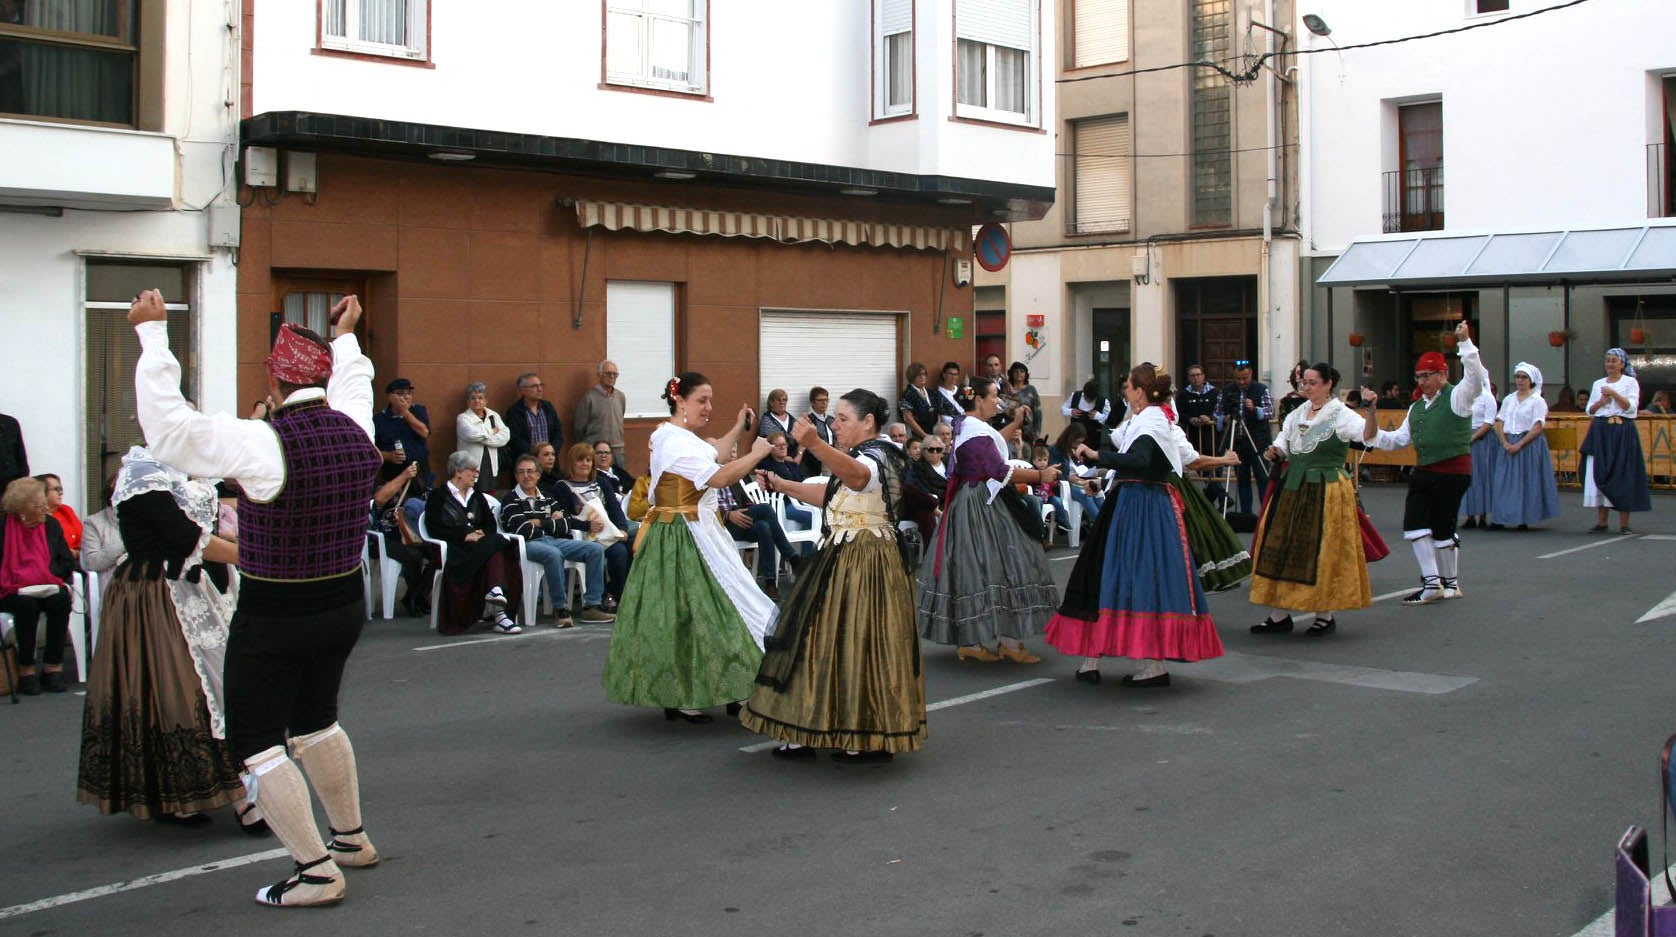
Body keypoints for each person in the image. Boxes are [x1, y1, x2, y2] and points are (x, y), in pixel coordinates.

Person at [132, 290, 382, 908]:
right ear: (322, 374)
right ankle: (350, 840)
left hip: (277, 610)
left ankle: (317, 871)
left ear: (274, 377)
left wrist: (153, 338)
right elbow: (355, 383)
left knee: (257, 740)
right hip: (345, 602)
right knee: (319, 717)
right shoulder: (355, 425)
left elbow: (170, 432)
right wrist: (347, 337)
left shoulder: (261, 441)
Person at [743, 390, 926, 763]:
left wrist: (814, 444)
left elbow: (858, 479)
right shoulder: (856, 458)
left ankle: (861, 733)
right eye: (837, 418)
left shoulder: (880, 454)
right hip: (841, 555)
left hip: (866, 560)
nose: (836, 424)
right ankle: (814, 727)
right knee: (818, 640)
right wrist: (783, 485)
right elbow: (833, 492)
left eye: (843, 419)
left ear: (867, 422)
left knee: (857, 644)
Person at [76, 447, 252, 826]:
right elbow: (183, 537)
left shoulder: (190, 472)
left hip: (198, 590)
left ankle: (237, 790)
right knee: (177, 691)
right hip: (154, 596)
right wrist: (253, 556)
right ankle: (189, 796)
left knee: (224, 684)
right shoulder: (142, 476)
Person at [1045, 365, 1235, 687]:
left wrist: (1096, 456)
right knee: (1105, 575)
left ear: (1138, 391)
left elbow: (1140, 461)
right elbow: (1127, 457)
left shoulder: (1155, 421)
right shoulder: (1141, 420)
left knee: (1141, 578)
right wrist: (1099, 470)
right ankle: (1094, 658)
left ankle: (1152, 665)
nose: (1125, 392)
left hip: (1144, 506)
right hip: (1129, 502)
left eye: (1128, 387)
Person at [602, 373, 776, 724]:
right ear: (680, 401)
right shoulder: (669, 440)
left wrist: (739, 429)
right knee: (694, 614)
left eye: (710, 400)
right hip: (680, 535)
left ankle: (731, 686)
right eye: (702, 400)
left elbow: (716, 454)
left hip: (701, 530)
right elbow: (719, 477)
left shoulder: (682, 438)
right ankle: (685, 695)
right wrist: (757, 453)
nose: (708, 408)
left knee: (720, 609)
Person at [917, 378, 1060, 664]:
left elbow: (992, 444)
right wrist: (1039, 476)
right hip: (981, 503)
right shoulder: (974, 433)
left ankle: (982, 640)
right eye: (994, 396)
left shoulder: (969, 428)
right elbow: (998, 470)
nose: (998, 401)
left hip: (976, 500)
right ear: (979, 400)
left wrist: (1016, 421)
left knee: (982, 569)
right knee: (1001, 566)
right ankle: (997, 640)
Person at [1361, 320, 1489, 605]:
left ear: (1442, 374)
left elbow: (1476, 379)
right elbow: (1398, 440)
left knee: (1443, 528)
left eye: (1427, 376)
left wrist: (1465, 343)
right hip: (1425, 471)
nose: (1421, 382)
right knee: (1416, 525)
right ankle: (1432, 584)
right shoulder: (1416, 407)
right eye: (1418, 376)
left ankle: (1451, 583)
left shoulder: (1457, 397)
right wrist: (1371, 428)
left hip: (1453, 471)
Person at [1248, 363, 1373, 637]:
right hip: (1294, 486)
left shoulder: (1341, 414)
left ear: (1328, 384)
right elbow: (1284, 441)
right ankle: (1280, 613)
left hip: (1325, 489)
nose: (1307, 387)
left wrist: (1371, 410)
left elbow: (1368, 436)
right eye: (1304, 382)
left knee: (1321, 549)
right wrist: (1276, 451)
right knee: (1284, 546)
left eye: (1313, 382)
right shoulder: (1297, 413)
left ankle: (1324, 614)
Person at [500, 454, 614, 626]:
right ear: (516, 476)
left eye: (530, 471)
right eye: (521, 472)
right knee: (553, 554)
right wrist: (552, 522)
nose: (526, 476)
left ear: (538, 475)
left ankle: (592, 606)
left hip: (553, 540)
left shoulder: (546, 497)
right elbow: (523, 530)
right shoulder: (510, 499)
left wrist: (540, 522)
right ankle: (561, 609)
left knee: (594, 550)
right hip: (528, 545)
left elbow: (566, 523)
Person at [424, 450, 524, 635]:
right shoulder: (438, 496)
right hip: (456, 548)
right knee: (498, 545)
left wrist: (480, 533)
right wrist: (464, 534)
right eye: (472, 470)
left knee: (496, 545)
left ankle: (496, 597)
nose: (476, 475)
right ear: (458, 472)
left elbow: (490, 524)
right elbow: (434, 527)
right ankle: (500, 614)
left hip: (481, 545)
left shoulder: (477, 496)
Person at [0, 476, 76, 695]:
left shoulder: (51, 525)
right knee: (26, 605)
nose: (44, 511)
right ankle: (26, 670)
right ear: (22, 508)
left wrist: (47, 576)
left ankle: (53, 667)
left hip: (47, 583)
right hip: (11, 587)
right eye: (38, 507)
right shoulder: (4, 526)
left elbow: (66, 561)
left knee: (60, 599)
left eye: (44, 506)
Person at [550, 443, 634, 610]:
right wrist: (587, 525)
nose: (585, 464)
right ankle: (603, 598)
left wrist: (622, 528)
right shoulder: (562, 487)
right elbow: (563, 518)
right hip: (581, 537)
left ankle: (620, 596)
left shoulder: (602, 483)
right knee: (608, 552)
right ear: (572, 462)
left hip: (606, 533)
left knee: (628, 548)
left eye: (588, 460)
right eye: (580, 460)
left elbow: (615, 509)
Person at [1580, 348, 1652, 533]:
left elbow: (1631, 408)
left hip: (1622, 430)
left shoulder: (1630, 382)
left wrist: (1614, 394)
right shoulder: (1598, 384)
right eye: (1608, 361)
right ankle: (1602, 521)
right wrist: (1602, 402)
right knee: (1600, 470)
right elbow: (1590, 410)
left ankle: (1624, 523)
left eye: (1614, 361)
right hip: (1601, 429)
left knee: (1623, 472)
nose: (1610, 364)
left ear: (1621, 364)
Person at [1490, 363, 1560, 530]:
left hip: (1528, 443)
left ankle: (1523, 517)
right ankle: (1500, 517)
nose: (1520, 380)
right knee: (1503, 481)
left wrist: (1520, 444)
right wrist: (1505, 442)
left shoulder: (1537, 401)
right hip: (1508, 441)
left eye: (1524, 377)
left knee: (1525, 481)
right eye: (1518, 377)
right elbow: (1499, 421)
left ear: (1531, 380)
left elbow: (1537, 426)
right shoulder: (1509, 399)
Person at [370, 462, 432, 618]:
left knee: (438, 555)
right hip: (387, 538)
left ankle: (416, 595)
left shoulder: (418, 490)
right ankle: (414, 599)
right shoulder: (385, 488)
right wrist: (404, 477)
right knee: (414, 556)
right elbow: (378, 499)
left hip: (416, 536)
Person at [1215, 360, 1273, 514]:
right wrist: (1224, 419)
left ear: (1251, 374)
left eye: (1245, 378)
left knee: (1262, 478)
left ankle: (1265, 514)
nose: (1242, 382)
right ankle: (1246, 514)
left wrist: (1255, 409)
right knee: (1242, 480)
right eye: (1238, 378)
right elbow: (1217, 413)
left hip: (1258, 442)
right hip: (1238, 442)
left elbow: (1269, 412)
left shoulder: (1261, 389)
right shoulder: (1227, 390)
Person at [373, 377, 431, 488]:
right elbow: (372, 449)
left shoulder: (418, 410)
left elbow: (424, 432)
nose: (406, 397)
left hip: (420, 476)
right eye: (400, 393)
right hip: (393, 478)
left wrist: (405, 412)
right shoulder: (379, 419)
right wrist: (388, 456)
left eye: (409, 393)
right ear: (390, 397)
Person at [1458, 382, 1501, 530]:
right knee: (1468, 476)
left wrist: (1474, 437)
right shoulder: (1464, 395)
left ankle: (1482, 515)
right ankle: (1470, 515)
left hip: (1483, 440)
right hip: (1466, 436)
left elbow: (1489, 421)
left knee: (1483, 476)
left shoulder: (1487, 397)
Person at [455, 382, 509, 493]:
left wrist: (484, 440)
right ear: (468, 401)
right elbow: (470, 434)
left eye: (480, 398)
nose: (477, 401)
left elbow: (505, 435)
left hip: (491, 466)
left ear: (486, 400)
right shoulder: (463, 418)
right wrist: (492, 431)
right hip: (469, 466)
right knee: (471, 496)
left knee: (489, 497)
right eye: (473, 398)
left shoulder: (493, 415)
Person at [575, 360, 627, 470]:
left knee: (620, 482)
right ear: (599, 375)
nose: (612, 377)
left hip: (617, 450)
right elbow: (579, 428)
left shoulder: (620, 397)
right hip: (596, 451)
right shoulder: (589, 398)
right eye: (608, 373)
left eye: (615, 374)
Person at [505, 371, 562, 460]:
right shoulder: (515, 412)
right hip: (527, 462)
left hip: (550, 461)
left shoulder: (548, 407)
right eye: (534, 386)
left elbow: (558, 432)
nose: (540, 389)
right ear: (522, 390)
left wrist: (551, 452)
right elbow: (515, 439)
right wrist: (535, 454)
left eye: (541, 385)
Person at [36, 472, 82, 555]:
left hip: (73, 562)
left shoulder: (65, 511)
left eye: (61, 489)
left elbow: (83, 541)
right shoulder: (34, 517)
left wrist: (76, 553)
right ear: (42, 492)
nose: (61, 493)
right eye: (56, 489)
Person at [1062, 379, 1112, 447]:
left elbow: (1110, 420)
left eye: (1091, 399)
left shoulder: (1103, 401)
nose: (1088, 401)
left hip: (1093, 439)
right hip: (1075, 437)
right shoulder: (1075, 396)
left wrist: (1098, 416)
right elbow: (1063, 409)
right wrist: (1070, 412)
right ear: (1084, 393)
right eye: (1087, 398)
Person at [800, 387, 838, 476]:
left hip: (834, 458)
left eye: (826, 400)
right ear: (812, 402)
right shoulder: (809, 420)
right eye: (820, 400)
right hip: (815, 462)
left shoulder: (831, 419)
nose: (824, 403)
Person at [898, 362, 938, 440]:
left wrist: (937, 431)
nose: (923, 377)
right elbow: (908, 419)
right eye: (919, 375)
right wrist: (924, 435)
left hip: (933, 434)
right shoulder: (908, 394)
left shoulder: (931, 392)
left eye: (924, 374)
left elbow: (937, 413)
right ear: (912, 377)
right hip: (917, 436)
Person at [1007, 362, 1043, 446]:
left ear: (1026, 374)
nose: (1019, 374)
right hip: (1009, 428)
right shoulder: (1007, 389)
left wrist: (1036, 433)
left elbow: (1037, 413)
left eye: (1021, 371)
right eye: (1016, 372)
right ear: (1011, 373)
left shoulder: (1031, 390)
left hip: (1027, 431)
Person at [759, 388, 798, 459]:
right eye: (778, 400)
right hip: (775, 461)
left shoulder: (792, 419)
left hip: (795, 460)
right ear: (771, 402)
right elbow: (768, 443)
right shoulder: (767, 421)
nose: (782, 402)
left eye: (784, 400)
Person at [935, 362, 965, 426]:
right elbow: (941, 416)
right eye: (950, 374)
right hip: (949, 427)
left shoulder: (962, 390)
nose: (953, 377)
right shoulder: (938, 394)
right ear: (944, 375)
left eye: (956, 374)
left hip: (966, 423)